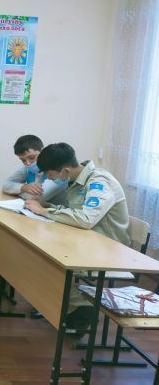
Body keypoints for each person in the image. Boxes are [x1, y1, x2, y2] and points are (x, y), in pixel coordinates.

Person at [24, 142, 131, 337]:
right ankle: (71, 307)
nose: (49, 178)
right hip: (86, 240)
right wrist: (46, 207)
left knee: (47, 261)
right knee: (35, 253)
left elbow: (86, 219)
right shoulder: (77, 179)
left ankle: (83, 307)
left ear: (65, 170)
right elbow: (77, 213)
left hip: (108, 248)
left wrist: (45, 211)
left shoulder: (99, 181)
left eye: (50, 174)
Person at [3, 134, 67, 205]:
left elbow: (38, 198)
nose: (28, 163)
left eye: (32, 157)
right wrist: (24, 187)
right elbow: (5, 185)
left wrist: (17, 190)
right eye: (23, 160)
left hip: (56, 210)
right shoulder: (26, 167)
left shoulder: (58, 168)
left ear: (43, 151)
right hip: (33, 209)